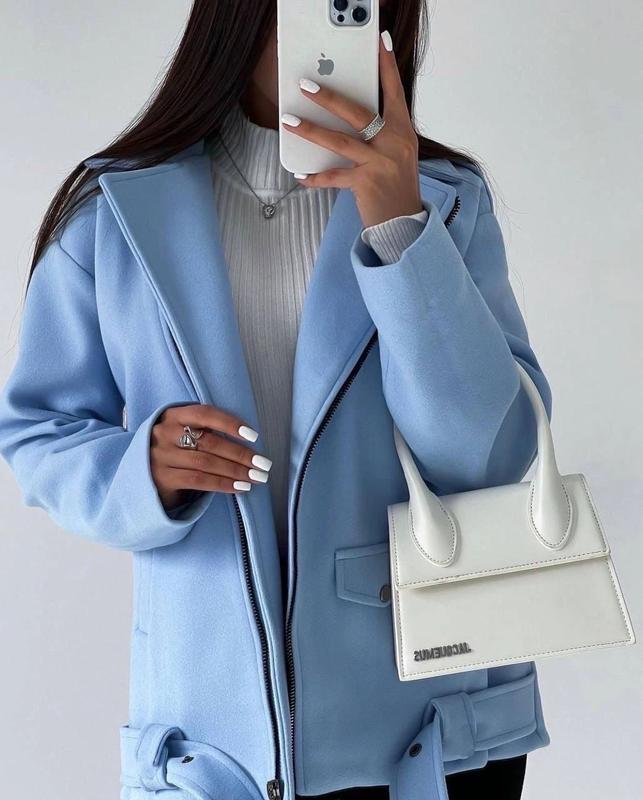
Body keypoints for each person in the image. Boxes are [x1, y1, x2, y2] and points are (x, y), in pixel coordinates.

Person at [0, 2, 552, 798]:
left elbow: (490, 458)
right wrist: (141, 468)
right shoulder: (112, 207)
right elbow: (37, 431)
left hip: (426, 736)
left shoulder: (444, 200)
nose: (332, 27)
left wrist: (401, 226)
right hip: (210, 747)